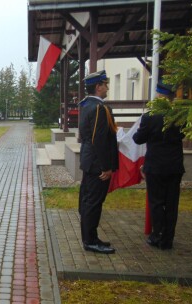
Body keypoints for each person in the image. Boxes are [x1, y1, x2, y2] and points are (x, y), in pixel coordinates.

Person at [133, 82, 185, 250]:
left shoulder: (150, 116)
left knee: (156, 202)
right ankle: (168, 238)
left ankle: (157, 236)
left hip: (155, 166)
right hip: (174, 166)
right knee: (172, 203)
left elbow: (138, 139)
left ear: (160, 96)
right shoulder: (180, 115)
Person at [78, 70, 119, 254]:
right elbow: (99, 140)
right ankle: (90, 241)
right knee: (93, 203)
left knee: (88, 201)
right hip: (97, 165)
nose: (107, 87)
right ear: (98, 86)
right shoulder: (99, 108)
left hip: (90, 162)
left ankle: (91, 237)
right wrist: (106, 167)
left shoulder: (87, 105)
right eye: (105, 84)